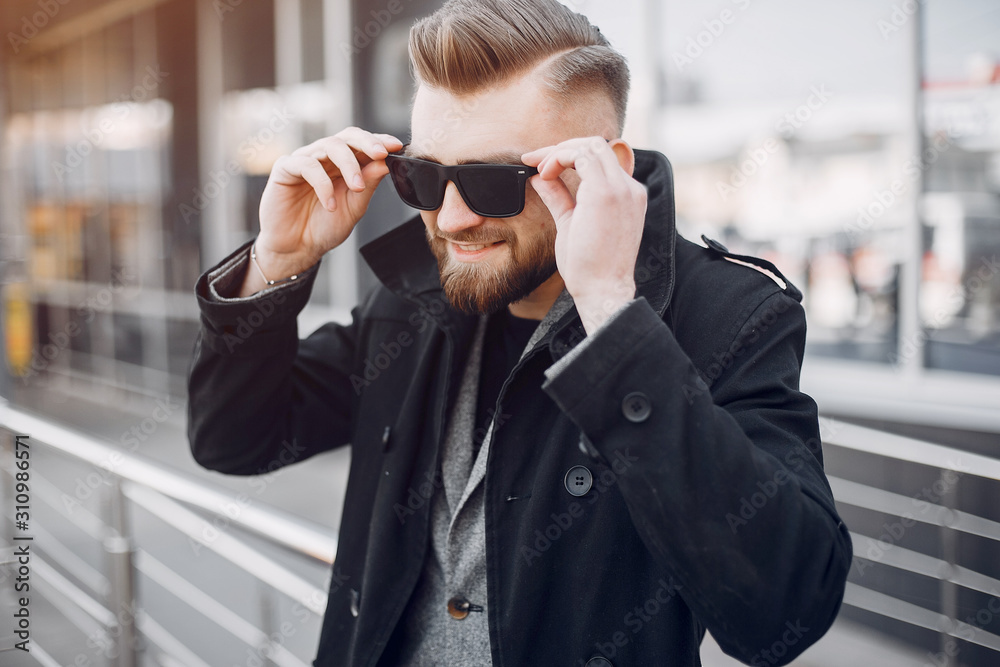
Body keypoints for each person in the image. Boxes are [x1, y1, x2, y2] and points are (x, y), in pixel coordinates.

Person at [187, 1, 852, 665]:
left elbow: (781, 612)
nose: (449, 218)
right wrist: (277, 262)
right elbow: (235, 439)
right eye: (423, 176)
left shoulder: (725, 313)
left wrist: (615, 317)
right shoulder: (417, 294)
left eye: (490, 182)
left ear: (605, 170)